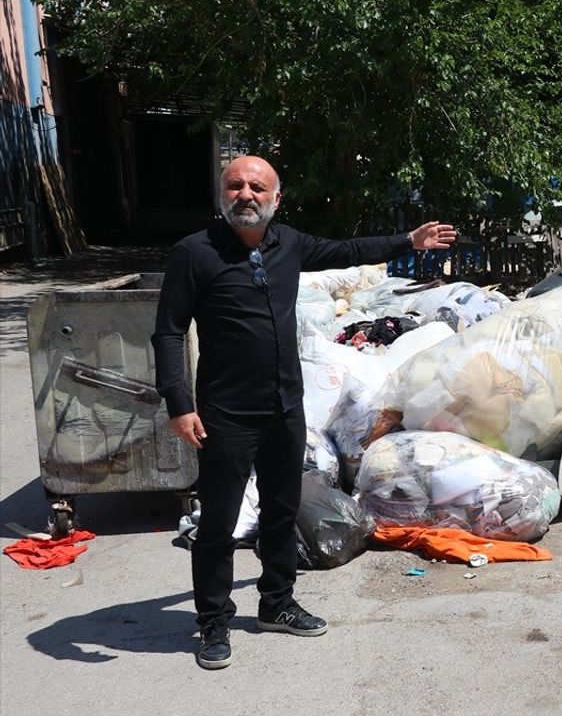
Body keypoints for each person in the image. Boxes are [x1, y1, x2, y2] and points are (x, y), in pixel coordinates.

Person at [151, 155, 457, 670]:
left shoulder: (286, 242)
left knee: (281, 510)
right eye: (236, 185)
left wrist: (408, 242)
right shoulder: (194, 254)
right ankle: (213, 622)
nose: (246, 194)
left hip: (285, 407)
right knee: (219, 522)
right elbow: (167, 331)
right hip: (227, 411)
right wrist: (179, 404)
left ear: (275, 198)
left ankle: (276, 603)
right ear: (221, 194)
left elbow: (347, 250)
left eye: (257, 186)